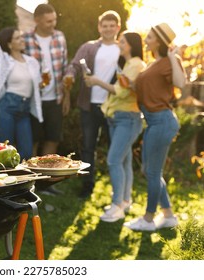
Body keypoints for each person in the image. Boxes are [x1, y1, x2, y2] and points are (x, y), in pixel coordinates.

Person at [123, 23, 186, 231]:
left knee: (152, 171)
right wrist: (131, 85)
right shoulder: (154, 63)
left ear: (158, 40)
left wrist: (174, 57)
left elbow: (181, 83)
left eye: (149, 37)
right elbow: (150, 87)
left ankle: (148, 219)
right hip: (153, 121)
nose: (146, 40)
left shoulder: (169, 60)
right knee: (150, 170)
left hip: (162, 120)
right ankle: (168, 215)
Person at [84, 32, 146, 222]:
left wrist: (96, 81)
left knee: (113, 160)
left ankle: (117, 206)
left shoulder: (135, 64)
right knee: (124, 161)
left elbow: (119, 91)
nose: (120, 43)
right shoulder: (128, 64)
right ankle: (125, 201)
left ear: (132, 45)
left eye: (123, 41)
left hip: (127, 119)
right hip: (118, 118)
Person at [65, 10, 121, 198]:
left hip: (113, 106)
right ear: (99, 27)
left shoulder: (122, 48)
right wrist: (70, 76)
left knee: (116, 148)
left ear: (118, 27)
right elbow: (74, 65)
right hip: (89, 106)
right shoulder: (88, 47)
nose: (107, 29)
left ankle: (117, 190)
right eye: (104, 26)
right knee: (89, 147)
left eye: (111, 26)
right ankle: (87, 186)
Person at [0, 0, 43, 160]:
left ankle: (25, 184)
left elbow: (37, 84)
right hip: (7, 108)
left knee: (26, 153)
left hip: (24, 110)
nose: (22, 40)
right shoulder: (4, 60)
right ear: (9, 44)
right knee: (5, 153)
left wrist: (42, 84)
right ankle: (8, 183)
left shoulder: (32, 62)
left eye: (21, 37)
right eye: (17, 38)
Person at [23, 4, 70, 157]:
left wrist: (66, 96)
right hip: (32, 100)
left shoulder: (60, 37)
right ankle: (32, 177)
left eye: (54, 20)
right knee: (33, 140)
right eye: (49, 21)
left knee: (53, 139)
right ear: (37, 20)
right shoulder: (25, 39)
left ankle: (47, 176)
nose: (53, 24)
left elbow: (65, 67)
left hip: (55, 99)